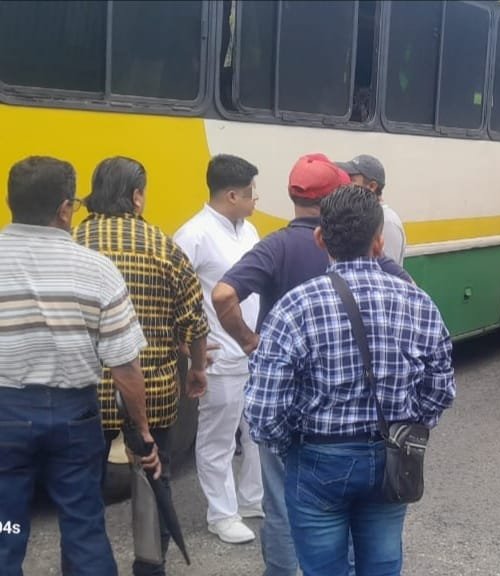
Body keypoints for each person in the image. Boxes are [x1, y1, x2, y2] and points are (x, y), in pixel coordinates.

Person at [212, 153, 411, 576]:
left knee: (282, 505)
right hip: (359, 415)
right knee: (353, 515)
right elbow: (416, 317)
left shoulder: (276, 246)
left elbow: (224, 295)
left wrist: (251, 343)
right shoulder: (366, 252)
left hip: (288, 404)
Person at [244, 185, 455, 576]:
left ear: (320, 238)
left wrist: (291, 446)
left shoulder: (295, 306)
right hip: (392, 453)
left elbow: (264, 409)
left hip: (318, 456)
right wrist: (410, 427)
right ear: (379, 242)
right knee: (382, 565)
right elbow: (440, 386)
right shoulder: (417, 302)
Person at [0, 156, 158, 576]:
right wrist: (142, 431)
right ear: (65, 209)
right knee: (84, 525)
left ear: (11, 202)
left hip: (4, 416)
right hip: (74, 417)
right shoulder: (96, 269)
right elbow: (125, 368)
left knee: (4, 528)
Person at [73, 157, 210, 576]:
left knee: (80, 486)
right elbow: (194, 321)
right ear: (136, 196)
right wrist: (197, 369)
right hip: (152, 387)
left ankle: (86, 563)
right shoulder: (163, 246)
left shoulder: (73, 242)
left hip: (83, 389)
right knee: (153, 476)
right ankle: (149, 565)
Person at [173, 155, 263, 544]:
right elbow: (172, 296)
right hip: (219, 356)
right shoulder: (192, 236)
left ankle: (252, 500)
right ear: (232, 195)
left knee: (257, 433)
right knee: (218, 439)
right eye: (251, 192)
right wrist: (184, 343)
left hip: (254, 351)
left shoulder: (250, 231)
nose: (256, 198)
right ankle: (222, 514)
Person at [337, 154, 406, 266]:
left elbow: (389, 269)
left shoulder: (387, 222)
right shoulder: (363, 215)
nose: (346, 183)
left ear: (372, 186)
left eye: (351, 179)